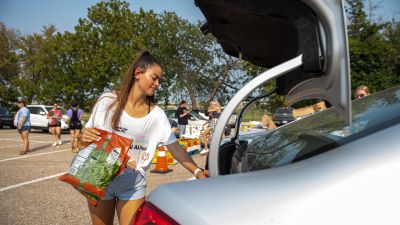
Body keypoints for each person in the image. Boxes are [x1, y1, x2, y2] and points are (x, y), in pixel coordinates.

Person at [80, 50, 208, 225]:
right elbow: (89, 138)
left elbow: (175, 148)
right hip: (100, 177)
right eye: (154, 78)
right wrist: (83, 137)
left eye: (159, 80)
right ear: (138, 73)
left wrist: (197, 171)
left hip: (132, 185)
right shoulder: (108, 101)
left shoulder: (157, 115)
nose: (157, 84)